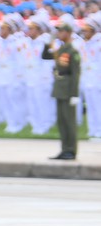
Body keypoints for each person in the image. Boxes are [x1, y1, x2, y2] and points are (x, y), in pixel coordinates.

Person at [44, 19, 83, 160]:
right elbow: (45, 55)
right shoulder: (60, 49)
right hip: (60, 88)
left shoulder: (72, 51)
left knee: (69, 121)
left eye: (61, 31)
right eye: (58, 31)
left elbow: (75, 73)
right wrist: (51, 39)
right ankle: (64, 148)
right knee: (61, 121)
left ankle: (71, 150)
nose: (59, 33)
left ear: (69, 33)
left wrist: (74, 94)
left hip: (68, 90)